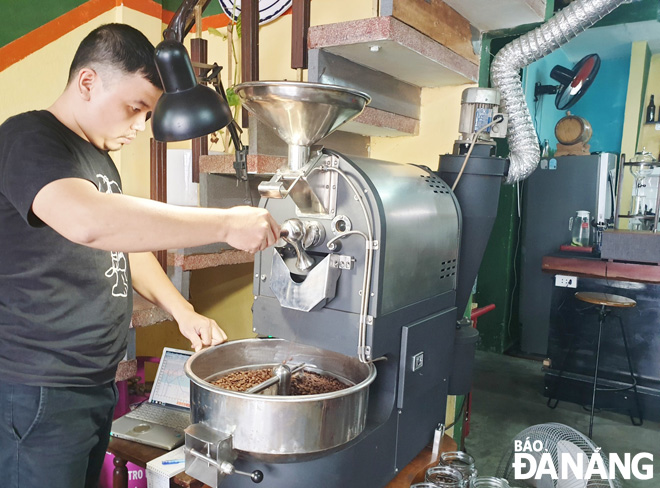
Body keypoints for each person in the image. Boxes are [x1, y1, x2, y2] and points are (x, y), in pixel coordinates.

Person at [0, 23, 279, 488]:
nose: (139, 127)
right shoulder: (28, 138)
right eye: (135, 108)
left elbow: (126, 245)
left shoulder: (95, 156)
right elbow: (88, 221)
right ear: (88, 83)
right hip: (39, 387)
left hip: (91, 382)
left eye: (147, 115)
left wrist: (182, 310)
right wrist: (226, 223)